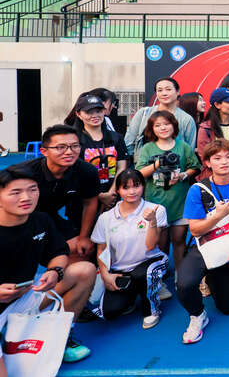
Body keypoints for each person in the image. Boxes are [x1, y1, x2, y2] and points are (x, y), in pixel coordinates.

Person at [0, 167, 95, 363]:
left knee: (85, 271)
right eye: (16, 192)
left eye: (32, 189)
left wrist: (54, 271)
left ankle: (62, 338)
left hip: (26, 295)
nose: (26, 197)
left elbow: (58, 252)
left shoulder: (41, 220)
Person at [177, 139, 229, 344]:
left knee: (227, 307)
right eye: (217, 158)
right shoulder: (197, 190)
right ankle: (197, 315)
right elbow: (195, 229)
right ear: (207, 163)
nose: (224, 162)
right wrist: (218, 216)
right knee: (184, 284)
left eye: (228, 157)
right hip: (205, 246)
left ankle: (214, 277)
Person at [91, 168, 169, 329]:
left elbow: (150, 246)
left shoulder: (157, 210)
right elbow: (101, 250)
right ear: (118, 190)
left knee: (143, 274)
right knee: (110, 312)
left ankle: (152, 310)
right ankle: (133, 293)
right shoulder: (105, 218)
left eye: (136, 185)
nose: (132, 191)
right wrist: (105, 275)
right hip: (121, 271)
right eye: (126, 187)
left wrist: (152, 221)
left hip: (150, 262)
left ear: (143, 186)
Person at [10, 125, 100, 262]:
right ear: (44, 151)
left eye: (75, 146)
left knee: (80, 249)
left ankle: (57, 273)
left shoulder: (87, 171)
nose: (69, 152)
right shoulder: (22, 173)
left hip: (49, 217)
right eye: (61, 147)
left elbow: (90, 203)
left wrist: (84, 237)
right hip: (18, 218)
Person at [135, 110, 201, 277]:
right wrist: (157, 164)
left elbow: (195, 167)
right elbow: (139, 173)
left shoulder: (183, 146)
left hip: (180, 203)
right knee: (160, 244)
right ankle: (160, 277)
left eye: (166, 124)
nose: (163, 128)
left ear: (174, 125)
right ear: (152, 129)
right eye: (158, 125)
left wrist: (183, 175)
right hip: (156, 204)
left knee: (179, 241)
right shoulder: (147, 148)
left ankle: (181, 275)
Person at [71, 94, 129, 210]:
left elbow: (122, 167)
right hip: (83, 203)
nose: (95, 116)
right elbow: (74, 173)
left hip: (113, 199)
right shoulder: (73, 140)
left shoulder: (116, 138)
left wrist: (111, 193)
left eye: (98, 111)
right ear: (78, 114)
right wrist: (99, 196)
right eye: (89, 112)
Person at [125, 77, 197, 162]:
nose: (164, 93)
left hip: (175, 166)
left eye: (168, 89)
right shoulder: (144, 113)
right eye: (160, 90)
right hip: (144, 165)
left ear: (177, 92)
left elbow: (189, 150)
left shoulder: (186, 119)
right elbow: (129, 142)